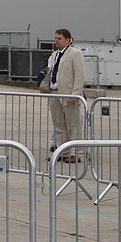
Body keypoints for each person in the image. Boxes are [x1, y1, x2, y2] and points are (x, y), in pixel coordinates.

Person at [45, 28, 84, 162]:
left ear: (68, 40)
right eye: (55, 38)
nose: (56, 40)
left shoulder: (75, 54)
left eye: (59, 38)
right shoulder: (55, 54)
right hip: (55, 92)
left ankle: (76, 153)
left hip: (68, 93)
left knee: (73, 125)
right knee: (59, 125)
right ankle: (63, 151)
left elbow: (79, 76)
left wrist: (76, 93)